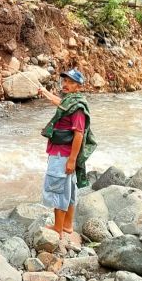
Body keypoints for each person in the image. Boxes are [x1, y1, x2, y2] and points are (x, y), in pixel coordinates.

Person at [38, 69, 96, 239]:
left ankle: (57, 228)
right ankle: (68, 226)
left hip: (63, 155)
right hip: (63, 154)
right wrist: (45, 92)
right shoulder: (71, 101)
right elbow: (60, 103)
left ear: (78, 86)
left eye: (71, 82)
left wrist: (71, 160)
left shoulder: (77, 109)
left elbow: (78, 134)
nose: (66, 84)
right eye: (65, 81)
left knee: (58, 189)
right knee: (69, 191)